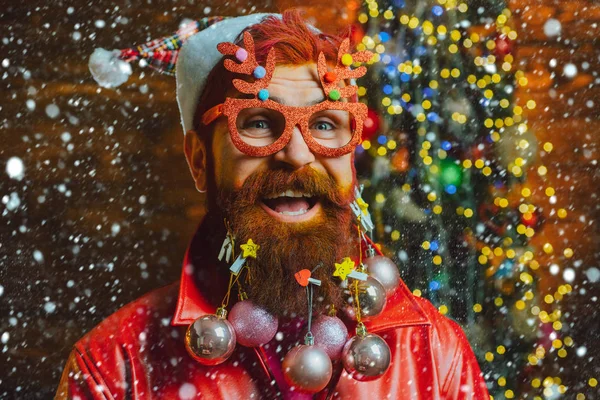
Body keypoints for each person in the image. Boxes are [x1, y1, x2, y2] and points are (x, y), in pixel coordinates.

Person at [56, 10, 489, 399]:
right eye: (260, 123)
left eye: (324, 123)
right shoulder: (115, 368)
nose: (298, 155)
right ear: (200, 160)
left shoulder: (435, 354)